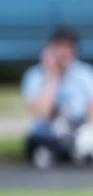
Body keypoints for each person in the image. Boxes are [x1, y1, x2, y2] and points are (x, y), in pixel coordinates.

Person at [22, 28, 93, 164]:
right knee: (39, 142)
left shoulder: (85, 75)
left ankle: (77, 152)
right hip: (47, 135)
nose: (63, 52)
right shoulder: (35, 76)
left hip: (77, 131)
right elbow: (43, 112)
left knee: (83, 140)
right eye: (59, 46)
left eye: (68, 47)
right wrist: (52, 76)